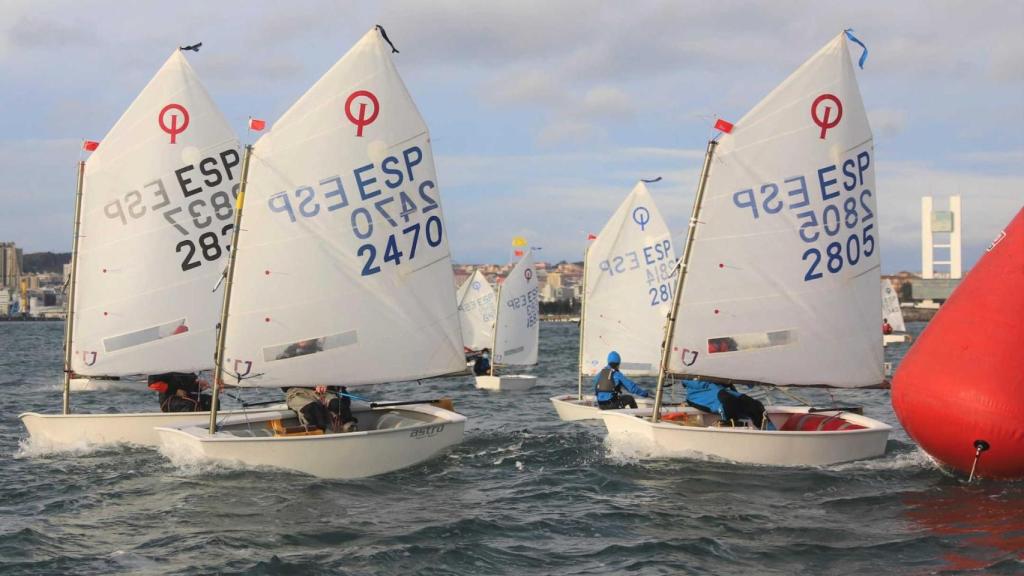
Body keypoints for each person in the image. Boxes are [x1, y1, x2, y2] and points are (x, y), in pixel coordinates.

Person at [682, 378, 772, 429]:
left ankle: (772, 433)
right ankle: (731, 427)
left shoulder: (727, 346)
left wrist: (749, 377)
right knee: (727, 400)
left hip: (723, 390)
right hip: (699, 393)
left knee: (755, 406)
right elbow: (691, 380)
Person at [284, 385, 357, 432]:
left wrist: (327, 383)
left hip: (326, 390)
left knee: (337, 405)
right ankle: (318, 437)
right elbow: (284, 387)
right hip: (297, 391)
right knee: (312, 409)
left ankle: (351, 431)